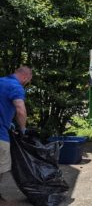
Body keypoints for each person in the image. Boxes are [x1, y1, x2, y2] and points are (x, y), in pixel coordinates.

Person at [0, 66, 32, 201]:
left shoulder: (1, 81)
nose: (26, 84)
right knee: (1, 168)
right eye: (28, 81)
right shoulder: (16, 86)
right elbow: (20, 110)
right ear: (25, 77)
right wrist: (23, 129)